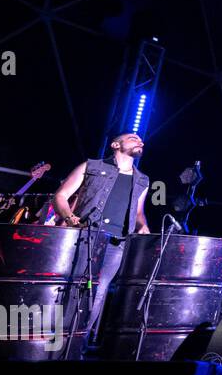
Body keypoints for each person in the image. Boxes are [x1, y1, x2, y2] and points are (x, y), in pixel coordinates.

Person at [51, 133, 151, 346]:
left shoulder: (142, 179)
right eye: (133, 138)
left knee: (99, 289)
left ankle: (78, 342)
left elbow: (139, 212)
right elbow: (60, 195)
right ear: (116, 144)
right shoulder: (92, 166)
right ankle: (53, 339)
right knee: (68, 285)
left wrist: (143, 226)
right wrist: (69, 218)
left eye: (141, 140)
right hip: (84, 235)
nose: (139, 141)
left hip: (117, 243)